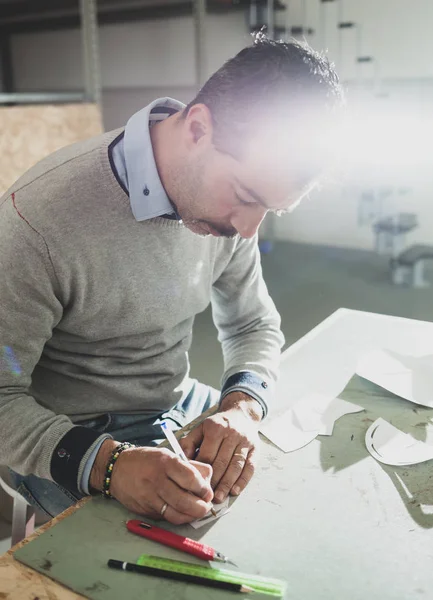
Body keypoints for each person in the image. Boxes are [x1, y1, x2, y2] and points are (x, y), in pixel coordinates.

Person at [0, 34, 342, 524]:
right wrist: (108, 464)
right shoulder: (37, 224)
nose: (248, 228)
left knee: (299, 494)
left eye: (269, 208)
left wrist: (242, 406)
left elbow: (252, 325)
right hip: (65, 435)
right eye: (245, 194)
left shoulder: (229, 213)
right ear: (199, 127)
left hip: (176, 402)